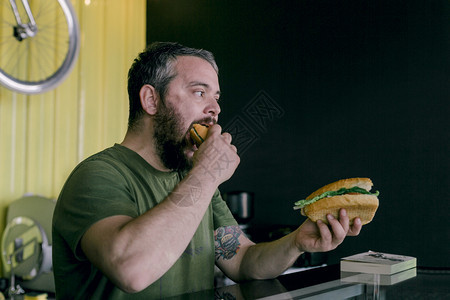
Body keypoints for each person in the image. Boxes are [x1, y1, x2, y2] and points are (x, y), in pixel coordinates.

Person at [52, 42, 362, 299]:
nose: (215, 109)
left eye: (216, 97)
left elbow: (242, 261)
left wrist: (297, 241)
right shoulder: (98, 176)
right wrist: (207, 173)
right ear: (151, 100)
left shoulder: (193, 179)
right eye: (199, 92)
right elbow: (132, 272)